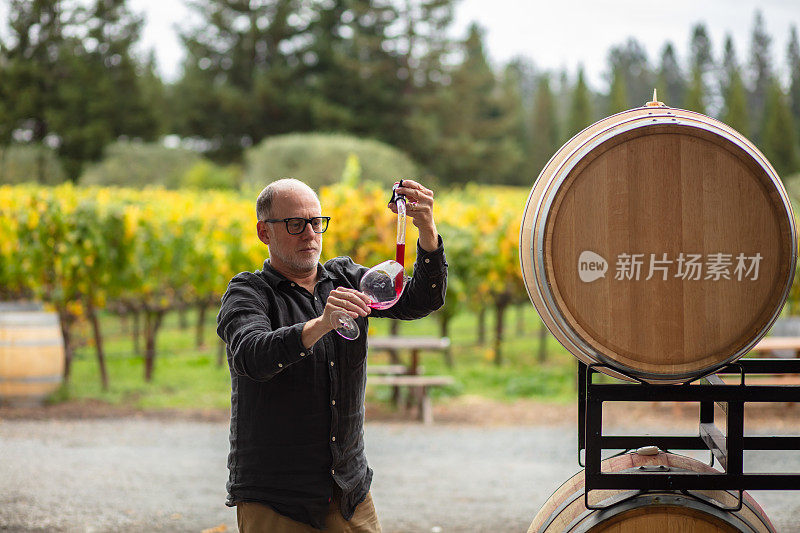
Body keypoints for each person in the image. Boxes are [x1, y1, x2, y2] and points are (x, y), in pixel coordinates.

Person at [216, 178, 448, 532]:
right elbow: (251, 355)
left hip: (348, 490)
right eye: (295, 224)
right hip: (277, 497)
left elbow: (421, 300)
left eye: (316, 222)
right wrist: (321, 324)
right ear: (265, 232)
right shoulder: (248, 291)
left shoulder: (344, 277)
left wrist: (427, 231)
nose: (310, 233)